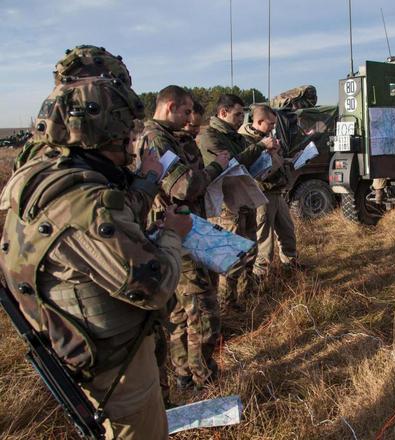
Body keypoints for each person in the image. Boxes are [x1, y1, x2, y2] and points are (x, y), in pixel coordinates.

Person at [0, 76, 191, 439]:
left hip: (76, 348)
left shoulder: (33, 177)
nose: (130, 146)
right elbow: (156, 285)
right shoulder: (84, 202)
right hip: (116, 369)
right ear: (104, 133)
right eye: (124, 137)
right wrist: (172, 234)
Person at [137, 86, 229, 390]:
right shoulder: (156, 138)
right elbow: (184, 188)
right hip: (177, 234)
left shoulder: (168, 137)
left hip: (180, 231)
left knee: (180, 310)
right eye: (187, 111)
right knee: (203, 309)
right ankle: (204, 379)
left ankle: (184, 374)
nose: (192, 117)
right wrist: (218, 167)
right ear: (171, 107)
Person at [197, 94, 278, 311]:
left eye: (243, 114)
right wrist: (260, 146)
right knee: (231, 256)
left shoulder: (235, 136)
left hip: (244, 198)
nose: (242, 119)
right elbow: (232, 163)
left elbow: (247, 162)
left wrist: (266, 156)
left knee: (250, 250)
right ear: (223, 112)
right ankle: (227, 305)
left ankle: (245, 294)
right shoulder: (210, 137)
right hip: (227, 205)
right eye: (238, 114)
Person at [238, 104, 300, 279]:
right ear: (259, 121)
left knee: (287, 230)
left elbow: (275, 162)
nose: (274, 127)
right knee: (264, 239)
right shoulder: (247, 141)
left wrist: (288, 160)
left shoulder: (267, 138)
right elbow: (252, 169)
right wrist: (266, 150)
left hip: (276, 192)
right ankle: (261, 276)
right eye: (271, 124)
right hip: (261, 195)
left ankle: (290, 264)